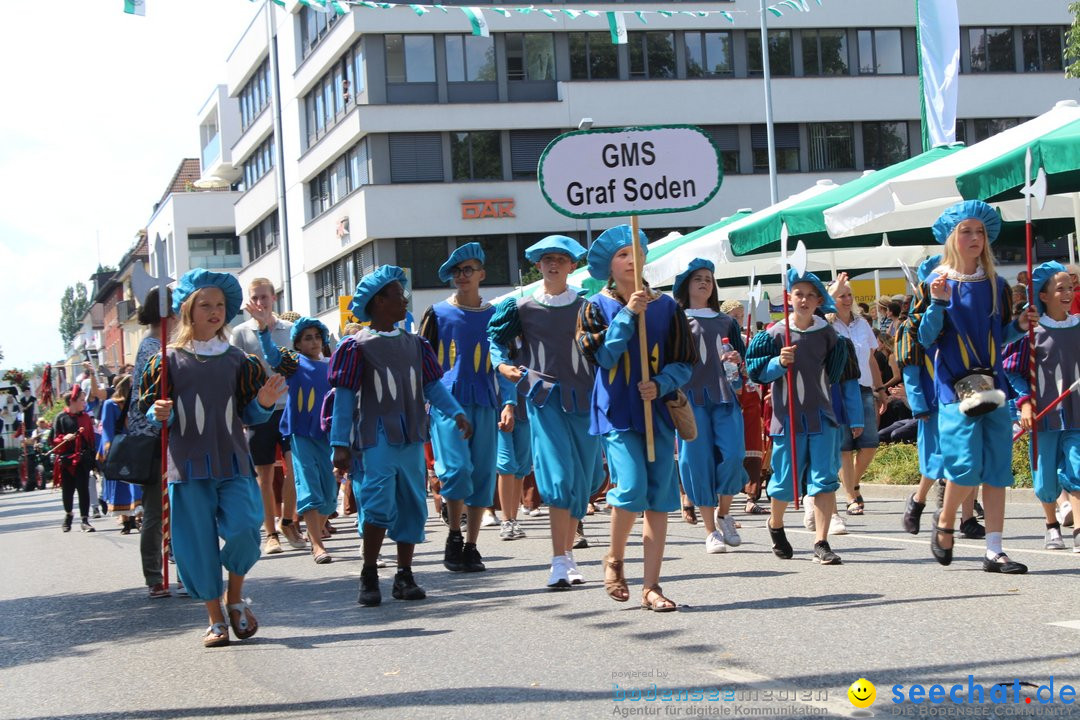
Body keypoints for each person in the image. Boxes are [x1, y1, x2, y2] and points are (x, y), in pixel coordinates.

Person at [142, 268, 287, 647]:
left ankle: (235, 596)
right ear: (188, 309)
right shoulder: (167, 360)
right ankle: (215, 617)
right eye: (205, 304)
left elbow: (250, 414)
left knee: (244, 527)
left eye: (220, 304)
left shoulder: (239, 360)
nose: (214, 311)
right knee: (196, 544)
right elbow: (154, 414)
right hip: (187, 466)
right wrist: (160, 411)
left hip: (232, 460)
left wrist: (264, 403)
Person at [330, 266, 472, 605]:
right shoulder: (355, 346)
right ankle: (369, 574)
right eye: (397, 294)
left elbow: (433, 386)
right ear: (379, 302)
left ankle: (404, 575)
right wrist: (339, 443)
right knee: (377, 504)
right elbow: (345, 398)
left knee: (411, 505)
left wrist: (456, 412)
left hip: (410, 434)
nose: (404, 299)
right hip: (376, 436)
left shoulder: (416, 344)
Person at [577, 225, 698, 611]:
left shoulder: (669, 307)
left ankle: (652, 586)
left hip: (657, 413)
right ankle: (614, 558)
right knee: (629, 488)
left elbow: (685, 363)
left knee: (660, 498)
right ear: (609, 265)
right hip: (616, 411)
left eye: (636, 252)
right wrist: (628, 315)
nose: (631, 260)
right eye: (622, 255)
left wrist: (662, 383)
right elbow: (603, 357)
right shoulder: (594, 307)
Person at [914, 200, 1034, 574]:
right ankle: (945, 522)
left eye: (980, 231)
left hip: (993, 385)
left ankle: (994, 550)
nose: (975, 237)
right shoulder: (937, 281)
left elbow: (999, 335)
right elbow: (925, 337)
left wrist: (1020, 327)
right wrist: (936, 303)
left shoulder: (997, 285)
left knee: (997, 469)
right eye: (966, 230)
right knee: (965, 466)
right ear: (952, 236)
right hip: (955, 388)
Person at [489, 235, 601, 587]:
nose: (554, 264)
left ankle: (566, 553)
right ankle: (559, 558)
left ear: (572, 266)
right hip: (544, 398)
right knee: (557, 477)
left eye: (561, 259)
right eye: (547, 259)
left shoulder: (589, 306)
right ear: (538, 265)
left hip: (586, 398)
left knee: (587, 479)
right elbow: (496, 341)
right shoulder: (521, 307)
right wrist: (501, 365)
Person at [746, 269, 858, 565]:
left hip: (821, 417)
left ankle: (821, 542)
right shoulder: (774, 333)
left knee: (824, 480)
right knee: (784, 482)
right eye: (799, 294)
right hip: (787, 419)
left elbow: (835, 372)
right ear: (788, 298)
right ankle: (776, 524)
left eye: (810, 295)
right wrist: (777, 363)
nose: (804, 299)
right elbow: (755, 372)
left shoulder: (828, 334)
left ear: (819, 300)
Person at [420, 242, 498, 574]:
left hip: (485, 399)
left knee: (482, 474)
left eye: (468, 270)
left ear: (481, 273)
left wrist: (508, 401)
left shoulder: (496, 315)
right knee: (456, 469)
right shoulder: (437, 313)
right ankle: (454, 534)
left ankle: (472, 544)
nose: (462, 276)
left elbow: (505, 360)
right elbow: (422, 363)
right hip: (449, 402)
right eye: (457, 271)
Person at [896, 256, 984, 539]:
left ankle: (968, 517)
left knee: (969, 456)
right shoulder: (913, 325)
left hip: (965, 391)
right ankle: (918, 501)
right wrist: (919, 403)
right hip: (934, 399)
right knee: (937, 460)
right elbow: (910, 368)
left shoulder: (964, 314)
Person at [671, 258, 748, 554]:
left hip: (725, 395)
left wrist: (737, 362)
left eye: (708, 278)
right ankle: (710, 530)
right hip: (689, 398)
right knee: (695, 460)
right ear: (687, 285)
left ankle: (724, 513)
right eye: (697, 278)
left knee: (733, 454)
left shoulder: (726, 321)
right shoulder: (676, 319)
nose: (704, 282)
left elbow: (741, 361)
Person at [250, 309, 337, 565]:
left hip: (326, 435)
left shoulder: (332, 366)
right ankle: (317, 545)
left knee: (330, 494)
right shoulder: (294, 363)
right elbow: (272, 356)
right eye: (307, 338)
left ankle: (315, 532)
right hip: (300, 433)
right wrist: (264, 330)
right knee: (309, 487)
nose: (313, 342)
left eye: (316, 337)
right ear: (297, 343)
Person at [1004, 261, 1080, 551]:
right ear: (1044, 296)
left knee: (1078, 469)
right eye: (1059, 288)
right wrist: (1024, 404)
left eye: (1070, 288)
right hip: (1044, 416)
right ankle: (1052, 526)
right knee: (1045, 480)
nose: (1066, 293)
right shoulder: (1032, 332)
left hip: (1076, 413)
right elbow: (1012, 370)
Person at [230, 278, 302, 554]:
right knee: (263, 474)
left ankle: (288, 521)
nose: (260, 303)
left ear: (274, 298)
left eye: (264, 297)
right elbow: (236, 374)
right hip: (259, 410)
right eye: (255, 298)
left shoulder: (291, 329)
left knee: (294, 470)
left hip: (289, 408)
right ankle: (270, 532)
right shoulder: (240, 332)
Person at [826, 272, 885, 524]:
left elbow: (871, 358)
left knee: (870, 443)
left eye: (849, 294)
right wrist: (832, 291)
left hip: (862, 387)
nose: (847, 299)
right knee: (845, 447)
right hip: (837, 389)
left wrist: (880, 389)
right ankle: (851, 496)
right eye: (842, 295)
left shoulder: (862, 324)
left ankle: (853, 483)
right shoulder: (827, 324)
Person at [129, 286, 174, 598]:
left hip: (172, 435)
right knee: (157, 511)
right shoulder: (153, 348)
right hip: (154, 438)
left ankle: (182, 569)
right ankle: (154, 576)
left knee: (176, 508)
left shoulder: (162, 344)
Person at [98, 375, 143, 534]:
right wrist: (109, 448)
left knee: (136, 485)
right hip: (120, 448)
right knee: (123, 485)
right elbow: (107, 429)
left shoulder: (135, 404)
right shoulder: (110, 404)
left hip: (135, 447)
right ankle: (126, 520)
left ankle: (138, 517)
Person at [52, 386, 97, 532]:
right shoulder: (60, 418)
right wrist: (63, 438)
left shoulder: (85, 418)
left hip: (83, 459)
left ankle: (85, 520)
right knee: (68, 490)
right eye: (82, 400)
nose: (84, 403)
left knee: (83, 489)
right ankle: (69, 515)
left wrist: (94, 460)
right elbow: (52, 440)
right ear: (72, 401)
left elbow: (91, 440)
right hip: (66, 460)